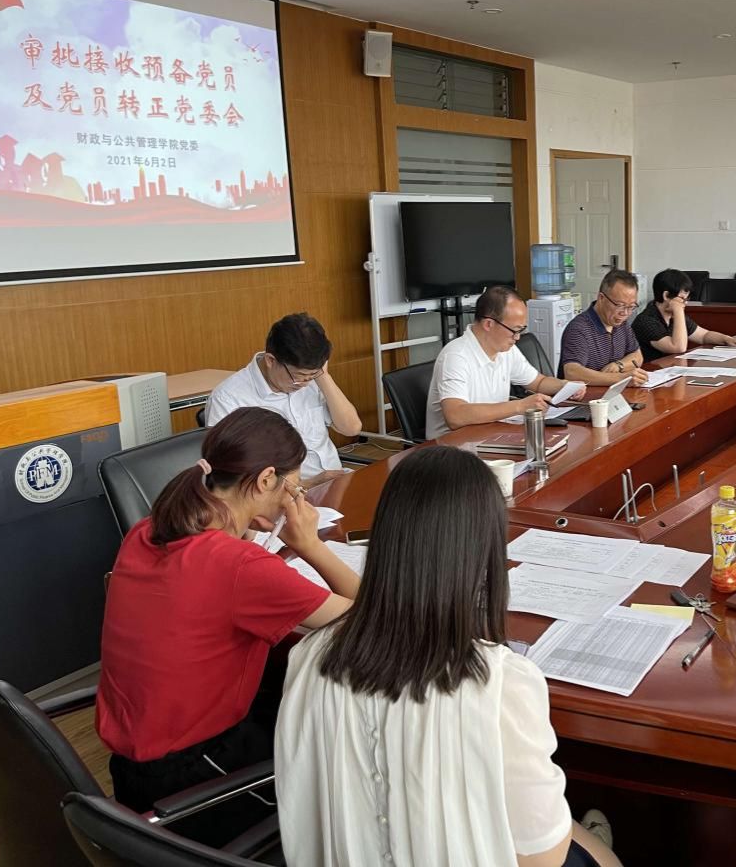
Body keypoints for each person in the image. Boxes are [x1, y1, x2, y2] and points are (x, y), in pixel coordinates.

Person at [276, 446, 621, 867]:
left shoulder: (308, 657)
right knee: (600, 855)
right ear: (484, 554)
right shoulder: (503, 682)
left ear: (384, 538)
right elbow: (542, 860)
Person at [97, 408, 359, 837]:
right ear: (266, 480)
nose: (293, 500)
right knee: (342, 761)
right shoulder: (240, 567)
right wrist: (311, 546)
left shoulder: (147, 531)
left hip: (134, 768)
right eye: (293, 488)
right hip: (198, 779)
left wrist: (244, 528)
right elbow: (371, 618)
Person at [207, 312, 362, 485]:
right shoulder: (228, 399)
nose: (305, 383)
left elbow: (351, 428)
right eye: (299, 376)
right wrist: (307, 485)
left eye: (312, 375)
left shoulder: (312, 378)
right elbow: (230, 478)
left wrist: (323, 376)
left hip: (334, 483)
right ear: (270, 360)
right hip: (285, 495)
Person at [426, 286, 587, 439]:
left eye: (521, 330)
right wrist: (519, 406)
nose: (517, 337)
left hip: (491, 435)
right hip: (452, 448)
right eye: (515, 330)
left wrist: (565, 385)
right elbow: (456, 416)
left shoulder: (506, 350)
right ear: (489, 324)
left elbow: (538, 382)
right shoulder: (456, 356)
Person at [632, 269, 736, 362]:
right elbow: (677, 347)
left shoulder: (673, 316)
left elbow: (703, 335)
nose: (685, 303)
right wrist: (678, 311)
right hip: (650, 374)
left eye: (687, 299)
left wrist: (727, 339)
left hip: (670, 371)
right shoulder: (646, 320)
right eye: (682, 299)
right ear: (666, 295)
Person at [559, 269, 648, 387]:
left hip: (612, 393)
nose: (625, 313)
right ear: (601, 298)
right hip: (584, 395)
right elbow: (572, 372)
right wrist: (621, 379)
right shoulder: (579, 328)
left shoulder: (621, 323)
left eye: (631, 306)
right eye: (620, 305)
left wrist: (618, 365)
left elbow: (637, 356)